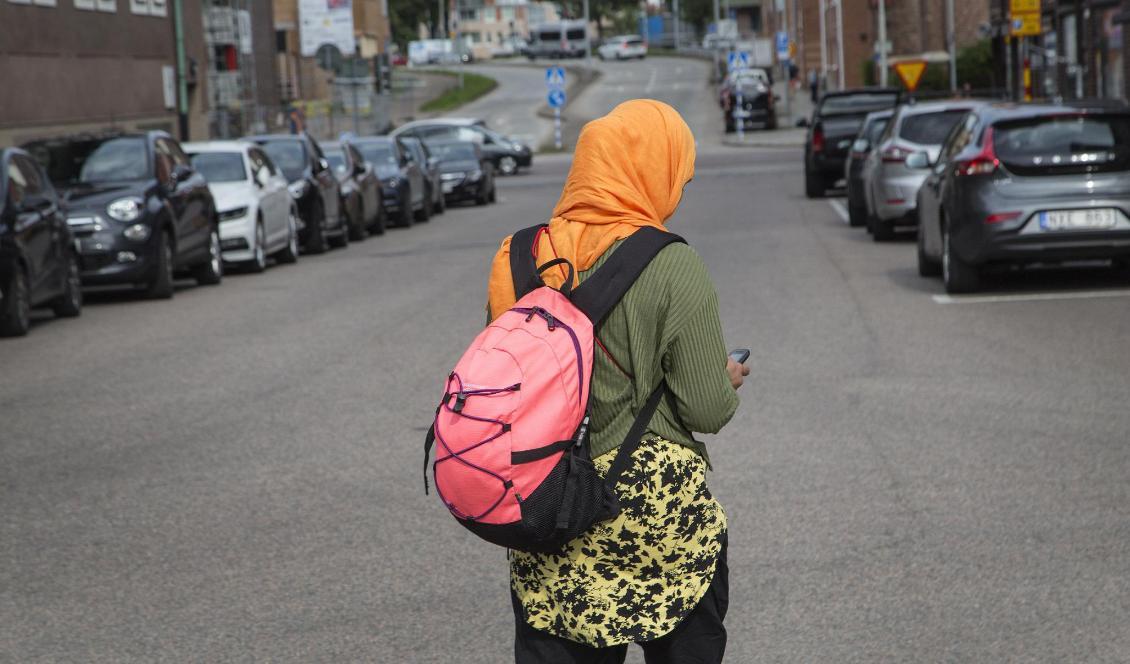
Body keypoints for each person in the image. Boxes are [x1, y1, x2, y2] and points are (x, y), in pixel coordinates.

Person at [485, 100, 749, 664]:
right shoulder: (672, 263)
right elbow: (707, 410)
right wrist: (722, 377)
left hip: (549, 507)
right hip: (656, 517)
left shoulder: (519, 255)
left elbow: (505, 385)